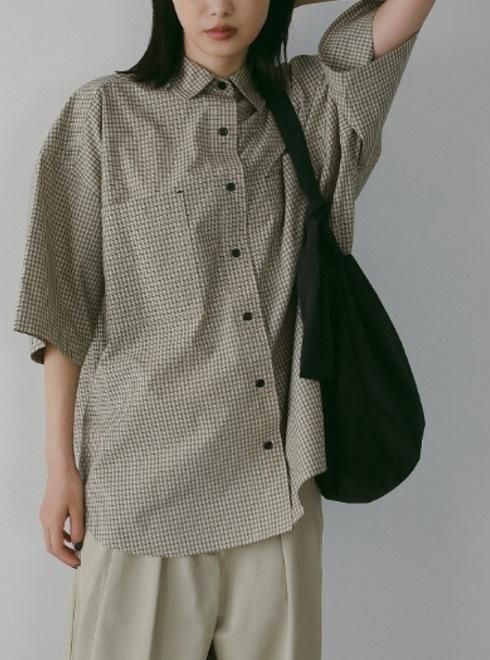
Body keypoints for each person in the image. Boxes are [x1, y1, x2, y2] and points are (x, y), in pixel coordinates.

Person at [12, 0, 434, 658]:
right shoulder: (102, 115)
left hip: (274, 492)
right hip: (139, 491)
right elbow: (61, 302)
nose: (218, 6)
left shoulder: (311, 103)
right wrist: (59, 468)